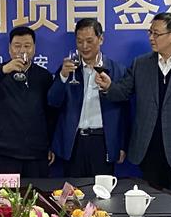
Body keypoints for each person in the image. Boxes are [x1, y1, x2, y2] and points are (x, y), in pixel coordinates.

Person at [103, 12, 171, 199]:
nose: (151, 38)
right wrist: (108, 86)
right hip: (149, 149)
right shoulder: (141, 64)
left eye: (156, 33)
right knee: (151, 204)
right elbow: (123, 92)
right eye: (150, 32)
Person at [48, 18, 130, 178]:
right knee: (73, 190)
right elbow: (53, 101)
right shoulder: (68, 69)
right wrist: (62, 76)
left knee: (101, 190)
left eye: (89, 41)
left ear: (101, 39)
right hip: (74, 143)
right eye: (79, 41)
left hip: (103, 142)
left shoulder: (117, 70)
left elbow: (125, 112)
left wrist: (121, 145)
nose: (84, 46)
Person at [0, 26, 55, 177]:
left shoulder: (43, 76)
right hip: (6, 153)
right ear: (10, 49)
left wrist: (50, 146)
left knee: (37, 192)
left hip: (37, 153)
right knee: (4, 193)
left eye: (27, 46)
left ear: (34, 48)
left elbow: (50, 113)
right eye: (17, 46)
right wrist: (4, 70)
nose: (22, 50)